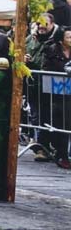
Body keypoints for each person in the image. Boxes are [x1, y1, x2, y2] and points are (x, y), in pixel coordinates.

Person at [27, 14, 62, 161]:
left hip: (54, 85)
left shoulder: (59, 38)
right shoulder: (30, 39)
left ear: (52, 23)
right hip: (34, 83)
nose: (41, 26)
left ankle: (53, 148)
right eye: (38, 23)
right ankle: (40, 148)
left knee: (53, 116)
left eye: (44, 23)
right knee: (36, 116)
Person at [41, 27, 71, 169]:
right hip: (58, 93)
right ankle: (62, 154)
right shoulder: (51, 50)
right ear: (61, 40)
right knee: (62, 124)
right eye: (69, 37)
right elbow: (46, 69)